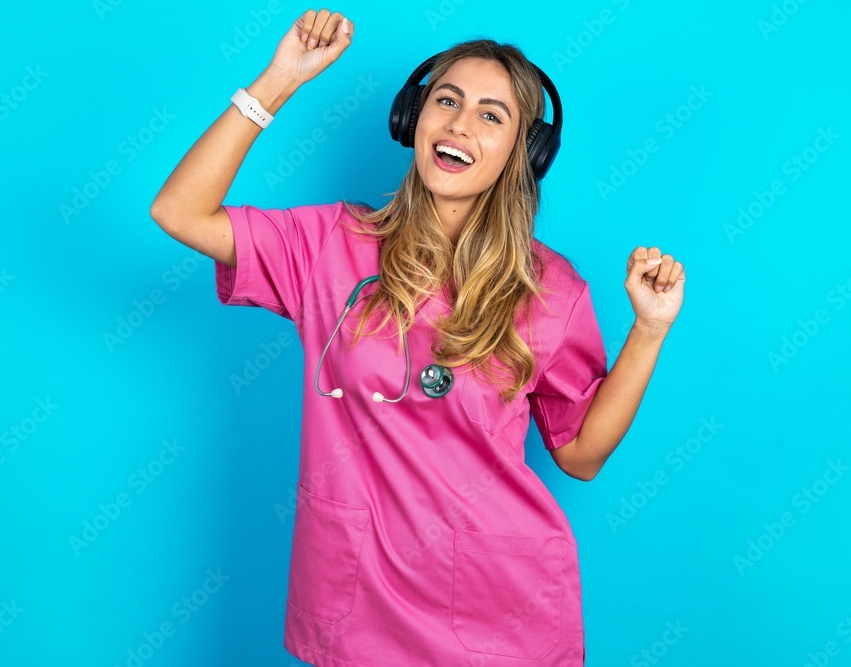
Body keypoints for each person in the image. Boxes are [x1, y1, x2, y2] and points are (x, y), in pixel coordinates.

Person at [150, 8, 685, 667]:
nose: (460, 124)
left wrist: (650, 330)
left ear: (526, 151)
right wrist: (281, 78)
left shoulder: (551, 290)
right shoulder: (328, 245)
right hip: (357, 605)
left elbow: (580, 452)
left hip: (500, 609)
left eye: (492, 115)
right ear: (412, 118)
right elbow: (179, 210)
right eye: (446, 101)